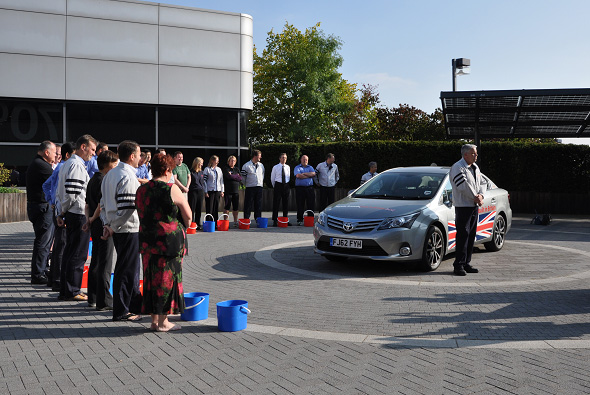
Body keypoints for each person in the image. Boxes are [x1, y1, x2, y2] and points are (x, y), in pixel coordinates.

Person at [137, 153, 191, 332]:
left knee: (151, 279)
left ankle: (153, 320)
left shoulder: (141, 189)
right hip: (168, 242)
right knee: (167, 280)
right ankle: (163, 322)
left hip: (147, 242)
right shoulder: (170, 188)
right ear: (167, 170)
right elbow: (189, 216)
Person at [100, 140, 143, 321]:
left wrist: (107, 224)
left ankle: (134, 305)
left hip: (117, 227)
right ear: (132, 156)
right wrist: (112, 226)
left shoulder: (110, 174)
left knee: (131, 269)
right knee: (126, 269)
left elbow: (102, 204)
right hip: (127, 228)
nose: (140, 158)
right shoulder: (127, 176)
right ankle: (122, 310)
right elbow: (127, 208)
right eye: (139, 155)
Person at [56, 134, 97, 301]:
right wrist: (63, 212)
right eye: (92, 149)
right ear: (83, 147)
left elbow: (63, 192)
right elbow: (72, 193)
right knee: (78, 254)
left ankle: (67, 289)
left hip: (71, 212)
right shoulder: (76, 165)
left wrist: (61, 211)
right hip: (77, 213)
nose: (93, 154)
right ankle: (72, 290)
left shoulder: (69, 164)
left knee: (70, 252)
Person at [83, 150, 119, 310]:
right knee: (105, 262)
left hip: (94, 224)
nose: (116, 167)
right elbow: (100, 204)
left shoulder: (93, 180)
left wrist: (88, 219)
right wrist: (91, 219)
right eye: (114, 164)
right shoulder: (103, 181)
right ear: (107, 165)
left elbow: (87, 204)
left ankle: (93, 296)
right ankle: (104, 300)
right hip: (102, 223)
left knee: (96, 261)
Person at [42, 142, 74, 291]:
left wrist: (51, 200)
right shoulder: (64, 168)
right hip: (62, 211)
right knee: (61, 245)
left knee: (59, 246)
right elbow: (47, 185)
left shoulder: (61, 167)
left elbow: (46, 185)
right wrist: (53, 201)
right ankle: (56, 279)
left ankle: (53, 278)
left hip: (58, 209)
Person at [450, 144, 485, 276]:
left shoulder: (475, 167)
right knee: (463, 235)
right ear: (465, 155)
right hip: (463, 206)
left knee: (471, 235)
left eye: (475, 153)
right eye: (473, 153)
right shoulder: (457, 167)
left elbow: (482, 183)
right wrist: (475, 197)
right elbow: (462, 186)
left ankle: (466, 263)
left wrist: (481, 195)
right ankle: (458, 265)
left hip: (474, 206)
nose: (476, 156)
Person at [26, 140, 58, 285]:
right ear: (46, 152)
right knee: (43, 241)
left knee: (44, 240)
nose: (56, 155)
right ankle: (38, 273)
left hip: (38, 206)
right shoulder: (42, 166)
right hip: (42, 207)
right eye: (54, 152)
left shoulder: (37, 163)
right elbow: (56, 181)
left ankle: (42, 269)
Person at [241, 150, 264, 222]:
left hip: (259, 186)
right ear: (255, 156)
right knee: (248, 204)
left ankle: (258, 219)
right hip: (250, 187)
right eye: (259, 156)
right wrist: (247, 184)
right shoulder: (246, 165)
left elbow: (262, 175)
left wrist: (260, 183)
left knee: (258, 204)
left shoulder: (261, 165)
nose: (261, 157)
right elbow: (243, 178)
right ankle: (246, 219)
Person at [294, 155, 316, 226]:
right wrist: (308, 175)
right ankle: (299, 220)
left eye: (306, 159)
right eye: (303, 159)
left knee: (311, 204)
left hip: (309, 188)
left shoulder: (310, 167)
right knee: (300, 204)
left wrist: (304, 174)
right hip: (300, 188)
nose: (305, 161)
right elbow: (298, 176)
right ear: (300, 160)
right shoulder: (297, 167)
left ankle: (310, 220)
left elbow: (313, 174)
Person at [271, 153, 291, 227]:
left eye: (285, 158)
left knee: (286, 203)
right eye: (283, 157)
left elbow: (288, 176)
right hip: (278, 184)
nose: (284, 159)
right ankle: (275, 220)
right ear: (280, 158)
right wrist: (275, 186)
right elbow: (272, 178)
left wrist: (286, 184)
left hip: (286, 185)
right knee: (276, 203)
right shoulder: (275, 167)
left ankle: (285, 219)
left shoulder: (288, 167)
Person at [203, 155, 224, 223]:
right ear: (212, 161)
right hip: (210, 190)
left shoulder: (219, 169)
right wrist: (205, 191)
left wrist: (222, 191)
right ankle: (209, 222)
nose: (217, 162)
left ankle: (215, 222)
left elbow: (221, 180)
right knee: (209, 207)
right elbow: (204, 181)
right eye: (216, 160)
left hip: (217, 190)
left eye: (218, 160)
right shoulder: (207, 169)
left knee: (216, 207)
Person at [222, 155, 242, 227]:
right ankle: (225, 221)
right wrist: (235, 176)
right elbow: (228, 176)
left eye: (234, 160)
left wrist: (233, 176)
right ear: (228, 161)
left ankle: (235, 221)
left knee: (235, 207)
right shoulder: (226, 168)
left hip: (235, 191)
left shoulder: (237, 169)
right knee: (227, 206)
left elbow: (240, 178)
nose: (233, 162)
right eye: (231, 160)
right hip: (228, 191)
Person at [188, 157, 206, 230]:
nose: (201, 165)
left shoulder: (201, 172)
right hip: (193, 191)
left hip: (200, 191)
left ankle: (198, 223)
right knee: (192, 208)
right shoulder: (191, 172)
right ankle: (191, 223)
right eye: (200, 163)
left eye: (202, 163)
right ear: (196, 163)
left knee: (199, 208)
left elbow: (203, 182)